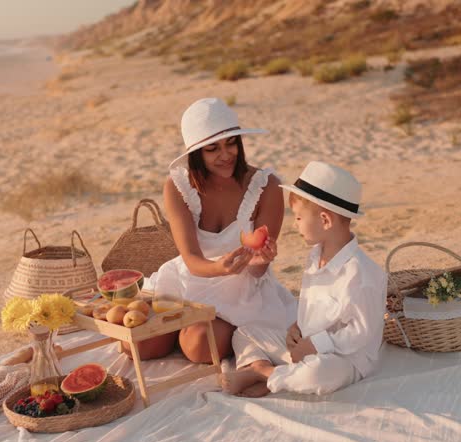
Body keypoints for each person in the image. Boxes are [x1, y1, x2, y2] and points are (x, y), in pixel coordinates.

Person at [142, 97, 297, 362]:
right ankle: (188, 330)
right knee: (141, 348)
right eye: (212, 149)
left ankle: (210, 330)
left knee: (200, 348)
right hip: (191, 279)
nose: (225, 155)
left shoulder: (267, 186)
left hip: (241, 290)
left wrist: (260, 262)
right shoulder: (178, 185)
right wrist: (218, 268)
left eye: (231, 143)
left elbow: (258, 267)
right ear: (196, 154)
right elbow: (191, 259)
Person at [220, 161, 387, 397]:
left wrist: (318, 344)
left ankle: (263, 373)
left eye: (298, 218)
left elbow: (361, 333)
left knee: (318, 374)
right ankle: (267, 370)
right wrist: (297, 328)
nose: (294, 224)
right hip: (306, 346)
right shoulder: (315, 256)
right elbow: (311, 305)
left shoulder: (361, 274)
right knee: (244, 332)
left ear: (325, 220)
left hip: (345, 359)